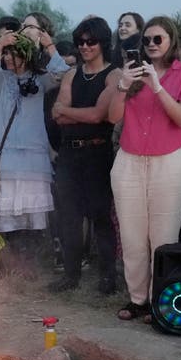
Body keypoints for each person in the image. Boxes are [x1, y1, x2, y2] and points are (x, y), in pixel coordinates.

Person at [108, 16, 181, 322]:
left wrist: (158, 86)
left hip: (169, 162)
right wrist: (123, 86)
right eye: (147, 40)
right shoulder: (131, 74)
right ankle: (137, 299)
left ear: (171, 41)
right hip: (130, 160)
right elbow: (112, 117)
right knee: (132, 236)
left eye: (157, 39)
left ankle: (159, 300)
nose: (151, 45)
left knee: (163, 237)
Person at [0, 24, 69, 242]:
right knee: (6, 210)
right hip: (6, 156)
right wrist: (0, 44)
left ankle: (32, 258)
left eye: (13, 54)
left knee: (33, 212)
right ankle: (10, 256)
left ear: (26, 56)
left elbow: (63, 73)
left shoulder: (41, 79)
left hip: (33, 158)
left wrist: (49, 46)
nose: (8, 58)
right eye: (7, 54)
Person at [49, 16, 119, 293]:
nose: (85, 46)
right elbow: (57, 114)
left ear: (103, 43)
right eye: (81, 42)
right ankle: (71, 275)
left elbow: (98, 115)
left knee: (101, 217)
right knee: (69, 217)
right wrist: (73, 114)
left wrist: (70, 112)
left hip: (98, 152)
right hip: (69, 154)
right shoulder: (70, 74)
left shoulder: (114, 75)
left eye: (91, 41)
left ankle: (107, 278)